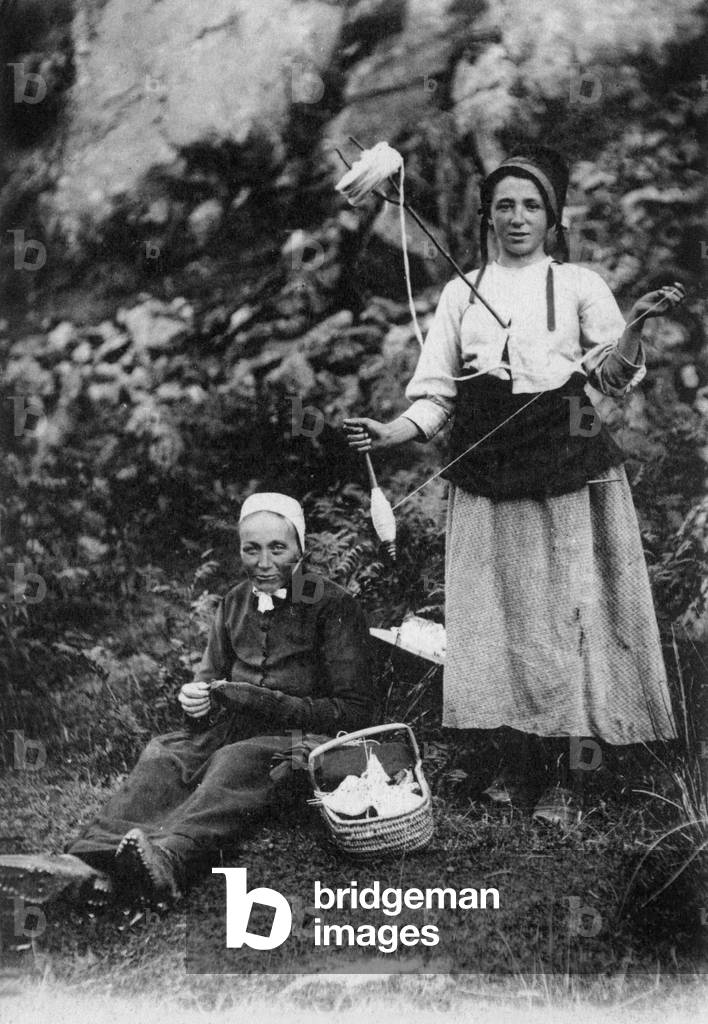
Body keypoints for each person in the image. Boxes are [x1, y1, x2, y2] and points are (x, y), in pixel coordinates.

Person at [345, 145, 684, 824]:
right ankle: (513, 759)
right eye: (505, 205)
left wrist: (638, 328)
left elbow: (614, 375)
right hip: (485, 468)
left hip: (566, 465)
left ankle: (569, 774)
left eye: (532, 205)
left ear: (552, 218)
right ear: (487, 218)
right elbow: (436, 397)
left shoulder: (579, 284)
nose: (518, 217)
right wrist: (390, 433)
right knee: (494, 617)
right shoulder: (457, 293)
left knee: (567, 614)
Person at [61, 492, 374, 903]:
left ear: (302, 548)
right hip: (230, 729)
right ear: (240, 550)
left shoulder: (333, 604)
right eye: (251, 549)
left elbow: (355, 710)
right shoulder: (233, 602)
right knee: (164, 754)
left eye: (277, 548)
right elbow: (208, 679)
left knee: (237, 760)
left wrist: (264, 701)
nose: (264, 563)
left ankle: (170, 860)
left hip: (303, 740)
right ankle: (92, 860)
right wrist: (195, 700)